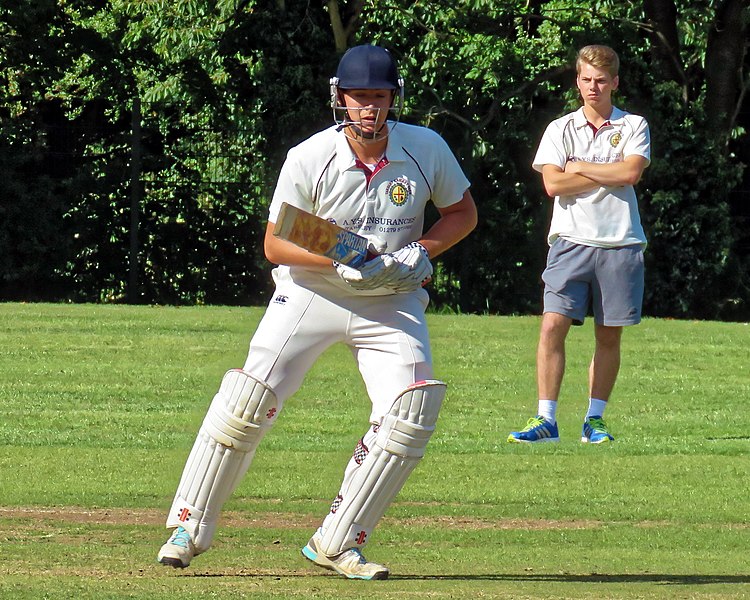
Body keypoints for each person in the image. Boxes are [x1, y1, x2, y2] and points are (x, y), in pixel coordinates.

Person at [157, 44, 477, 579]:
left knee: (410, 411)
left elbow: (462, 212)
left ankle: (337, 541)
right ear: (340, 98)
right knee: (248, 398)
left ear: (394, 99)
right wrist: (342, 256)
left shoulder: (425, 148)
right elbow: (277, 244)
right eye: (360, 98)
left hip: (392, 298)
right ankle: (188, 526)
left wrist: (420, 251)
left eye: (379, 98)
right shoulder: (311, 157)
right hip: (312, 292)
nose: (370, 110)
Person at [507, 44, 650, 444]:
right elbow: (553, 184)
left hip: (620, 243)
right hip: (569, 241)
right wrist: (611, 172)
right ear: (577, 81)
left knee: (609, 335)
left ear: (615, 82)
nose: (593, 87)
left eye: (601, 80)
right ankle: (546, 420)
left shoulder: (634, 125)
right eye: (586, 79)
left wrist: (583, 167)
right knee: (553, 325)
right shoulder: (560, 129)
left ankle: (595, 420)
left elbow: (632, 173)